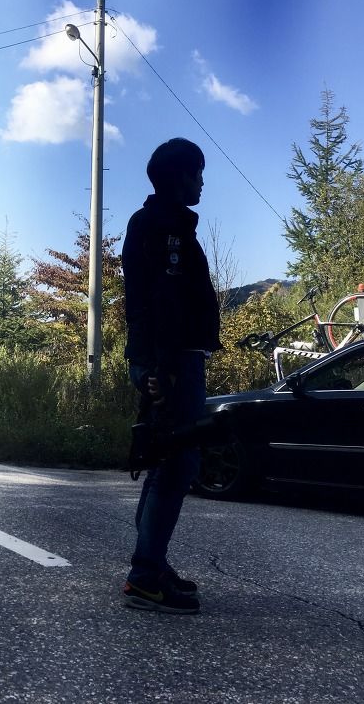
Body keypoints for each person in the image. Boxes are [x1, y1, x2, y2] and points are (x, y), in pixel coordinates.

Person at [121, 137, 221, 614]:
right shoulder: (164, 226)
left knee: (166, 458)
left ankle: (151, 564)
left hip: (168, 356)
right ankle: (145, 576)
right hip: (172, 359)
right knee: (178, 462)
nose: (201, 182)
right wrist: (162, 369)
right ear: (179, 176)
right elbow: (160, 301)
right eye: (197, 173)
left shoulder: (163, 223)